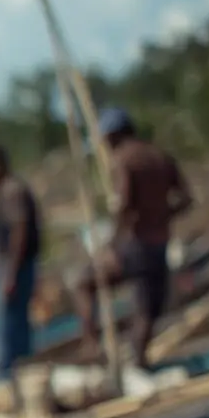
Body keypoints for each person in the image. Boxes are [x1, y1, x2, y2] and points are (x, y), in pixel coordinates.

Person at [76, 107, 194, 368]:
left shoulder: (124, 160)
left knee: (84, 283)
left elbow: (124, 205)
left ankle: (92, 345)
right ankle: (139, 361)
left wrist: (111, 244)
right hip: (158, 243)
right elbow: (186, 199)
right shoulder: (160, 157)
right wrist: (162, 216)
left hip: (134, 245)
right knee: (146, 310)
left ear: (115, 135)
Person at [0, 144, 42, 381]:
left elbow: (20, 231)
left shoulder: (11, 190)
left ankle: (5, 380)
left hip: (14, 266)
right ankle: (17, 375)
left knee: (4, 325)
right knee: (12, 322)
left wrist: (11, 274)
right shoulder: (1, 191)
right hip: (10, 265)